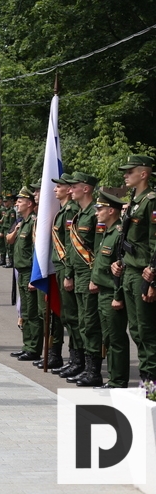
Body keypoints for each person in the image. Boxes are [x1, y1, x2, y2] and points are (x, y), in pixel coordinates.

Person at [113, 155, 156, 383]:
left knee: (148, 331)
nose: (125, 175)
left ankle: (151, 383)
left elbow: (154, 242)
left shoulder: (151, 201)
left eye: (130, 172)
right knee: (137, 331)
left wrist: (152, 278)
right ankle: (146, 379)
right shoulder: (134, 201)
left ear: (143, 174)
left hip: (143, 273)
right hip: (129, 271)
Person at [61, 171, 102, 386]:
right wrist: (69, 273)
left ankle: (93, 371)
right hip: (78, 274)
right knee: (81, 322)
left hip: (88, 275)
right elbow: (71, 249)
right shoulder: (79, 215)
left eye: (74, 186)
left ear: (86, 188)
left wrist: (95, 277)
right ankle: (84, 366)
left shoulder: (95, 214)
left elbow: (100, 250)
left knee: (90, 323)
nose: (70, 190)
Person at [90, 191, 127, 388]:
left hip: (112, 293)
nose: (97, 213)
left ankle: (118, 381)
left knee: (116, 338)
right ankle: (113, 379)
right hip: (103, 292)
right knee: (108, 338)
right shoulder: (108, 232)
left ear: (111, 211)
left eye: (100, 209)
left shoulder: (119, 234)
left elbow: (121, 269)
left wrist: (117, 296)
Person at [47, 177, 81, 374]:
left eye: (59, 186)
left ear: (68, 190)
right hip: (60, 268)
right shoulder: (63, 211)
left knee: (72, 316)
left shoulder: (71, 211)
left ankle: (78, 360)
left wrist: (68, 273)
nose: (55, 190)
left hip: (66, 268)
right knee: (67, 316)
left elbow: (70, 246)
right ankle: (75, 359)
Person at [7, 187, 40, 361]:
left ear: (29, 204)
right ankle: (27, 345)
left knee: (32, 313)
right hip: (21, 271)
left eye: (20, 201)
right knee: (25, 312)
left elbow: (36, 252)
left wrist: (34, 277)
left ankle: (34, 348)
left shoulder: (34, 222)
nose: (17, 204)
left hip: (29, 272)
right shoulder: (23, 223)